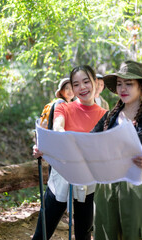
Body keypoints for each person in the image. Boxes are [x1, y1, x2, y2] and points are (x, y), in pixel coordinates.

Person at [92, 60, 142, 239]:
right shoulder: (109, 117)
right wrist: (48, 149)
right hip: (107, 186)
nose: (122, 89)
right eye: (119, 84)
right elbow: (87, 141)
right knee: (105, 233)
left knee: (137, 234)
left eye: (129, 84)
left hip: (139, 187)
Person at [32, 65, 107, 240]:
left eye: (86, 82)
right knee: (42, 232)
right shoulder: (63, 108)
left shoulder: (105, 115)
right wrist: (46, 146)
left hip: (88, 181)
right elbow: (58, 128)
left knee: (83, 234)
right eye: (76, 84)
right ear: (72, 89)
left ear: (95, 83)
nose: (82, 88)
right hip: (61, 176)